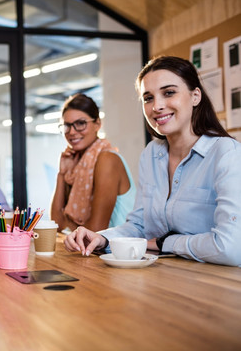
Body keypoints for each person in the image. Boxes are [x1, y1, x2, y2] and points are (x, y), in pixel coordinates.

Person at [65, 56, 241, 267]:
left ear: (195, 96)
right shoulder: (151, 154)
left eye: (169, 93)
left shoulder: (226, 153)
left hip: (218, 284)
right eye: (148, 98)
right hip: (164, 276)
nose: (157, 106)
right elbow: (139, 226)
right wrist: (102, 238)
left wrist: (166, 242)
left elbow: (230, 247)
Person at [50, 93, 136, 231]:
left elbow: (96, 230)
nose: (72, 132)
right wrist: (62, 174)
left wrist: (69, 224)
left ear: (97, 124)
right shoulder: (77, 165)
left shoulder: (107, 159)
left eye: (80, 123)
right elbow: (56, 225)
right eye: (67, 125)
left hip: (118, 250)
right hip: (93, 249)